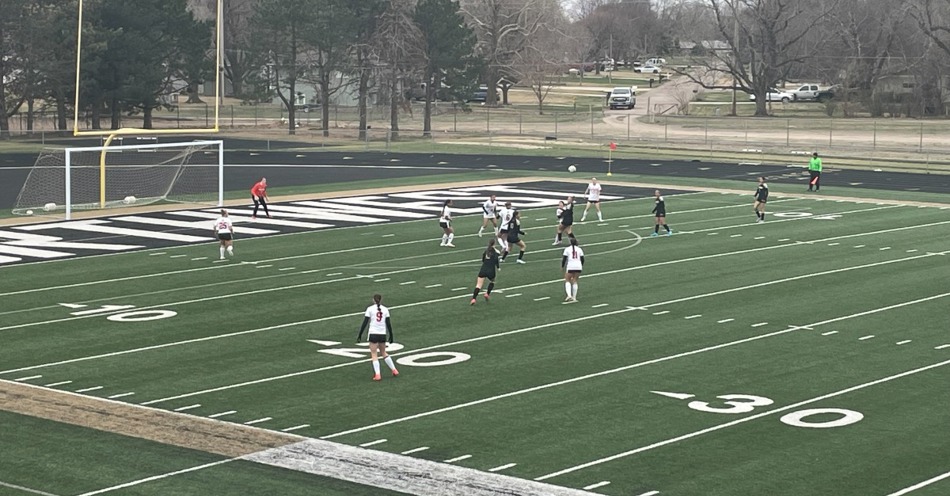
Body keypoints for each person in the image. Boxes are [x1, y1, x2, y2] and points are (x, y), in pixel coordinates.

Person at [356, 294, 399, 381]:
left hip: (373, 334)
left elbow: (365, 323)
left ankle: (378, 374)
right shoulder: (385, 309)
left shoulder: (370, 309)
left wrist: (360, 334)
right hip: (382, 334)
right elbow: (388, 324)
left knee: (374, 354)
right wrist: (391, 335)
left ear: (373, 300)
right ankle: (394, 369)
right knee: (384, 352)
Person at [471, 239, 500, 305]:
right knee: (492, 281)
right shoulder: (495, 252)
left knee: (478, 285)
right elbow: (496, 260)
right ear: (494, 244)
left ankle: (474, 299)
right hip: (491, 270)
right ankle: (487, 293)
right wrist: (498, 267)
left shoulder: (486, 251)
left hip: (483, 269)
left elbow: (483, 259)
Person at [561, 237, 585, 302]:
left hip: (571, 266)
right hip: (578, 266)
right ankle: (574, 297)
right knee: (574, 281)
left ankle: (569, 295)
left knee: (567, 280)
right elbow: (582, 259)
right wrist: (580, 266)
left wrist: (562, 266)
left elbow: (564, 259)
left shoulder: (567, 249)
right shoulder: (580, 249)